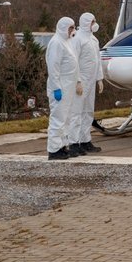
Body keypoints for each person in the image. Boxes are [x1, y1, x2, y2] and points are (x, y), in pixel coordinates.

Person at [45, 16, 81, 160]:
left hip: (68, 87)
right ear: (63, 28)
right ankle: (54, 150)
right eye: (70, 28)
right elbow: (53, 68)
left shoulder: (67, 42)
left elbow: (74, 64)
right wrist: (56, 88)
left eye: (73, 28)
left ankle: (62, 146)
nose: (72, 31)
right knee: (58, 119)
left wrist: (78, 81)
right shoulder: (56, 43)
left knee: (66, 119)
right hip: (60, 88)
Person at [72, 12, 104, 153]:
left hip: (91, 80)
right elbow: (74, 62)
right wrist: (77, 81)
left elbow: (97, 59)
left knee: (88, 111)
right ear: (86, 22)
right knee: (77, 111)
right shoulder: (77, 39)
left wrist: (99, 78)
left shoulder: (93, 39)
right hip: (82, 81)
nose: (95, 24)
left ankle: (85, 140)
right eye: (92, 21)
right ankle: (74, 142)